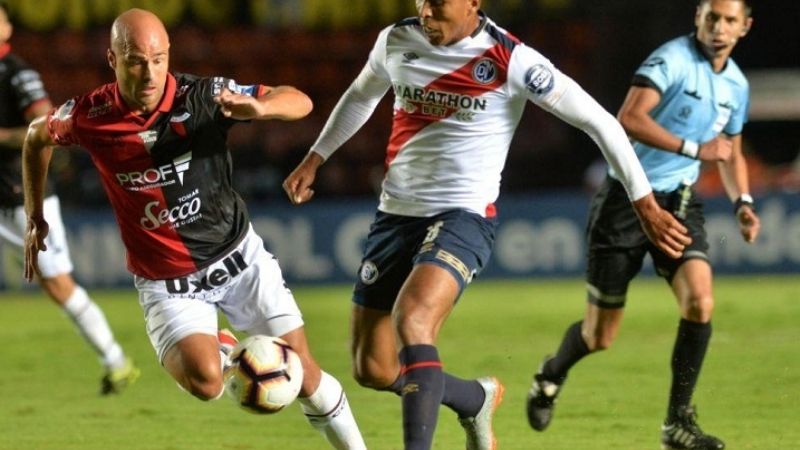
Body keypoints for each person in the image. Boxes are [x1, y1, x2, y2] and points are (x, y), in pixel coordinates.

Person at [283, 1, 690, 449]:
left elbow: (602, 124)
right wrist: (316, 157)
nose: (425, 9)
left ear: (473, 2)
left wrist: (646, 206)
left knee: (414, 320)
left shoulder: (513, 60)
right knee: (372, 368)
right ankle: (474, 398)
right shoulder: (396, 39)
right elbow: (362, 94)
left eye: (438, 2)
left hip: (463, 216)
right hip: (395, 216)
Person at [22, 8, 366, 449]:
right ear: (113, 60)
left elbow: (299, 100)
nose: (150, 72)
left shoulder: (203, 96)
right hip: (167, 280)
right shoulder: (91, 115)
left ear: (169, 54)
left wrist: (261, 108)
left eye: (159, 58)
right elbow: (35, 137)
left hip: (238, 259)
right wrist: (35, 215)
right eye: (136, 61)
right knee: (207, 384)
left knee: (302, 374)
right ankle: (220, 348)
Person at [526, 1, 760, 449]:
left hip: (680, 203)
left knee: (700, 302)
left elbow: (730, 151)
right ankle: (550, 374)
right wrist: (693, 150)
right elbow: (629, 118)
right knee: (599, 336)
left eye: (730, 20)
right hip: (627, 200)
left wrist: (743, 202)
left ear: (745, 27)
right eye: (712, 17)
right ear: (698, 17)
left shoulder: (737, 85)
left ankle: (677, 423)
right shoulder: (672, 59)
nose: (719, 27)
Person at [0, 1, 139, 395]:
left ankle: (116, 361)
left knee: (58, 283)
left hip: (19, 196)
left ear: (8, 29)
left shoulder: (16, 73)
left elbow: (42, 125)